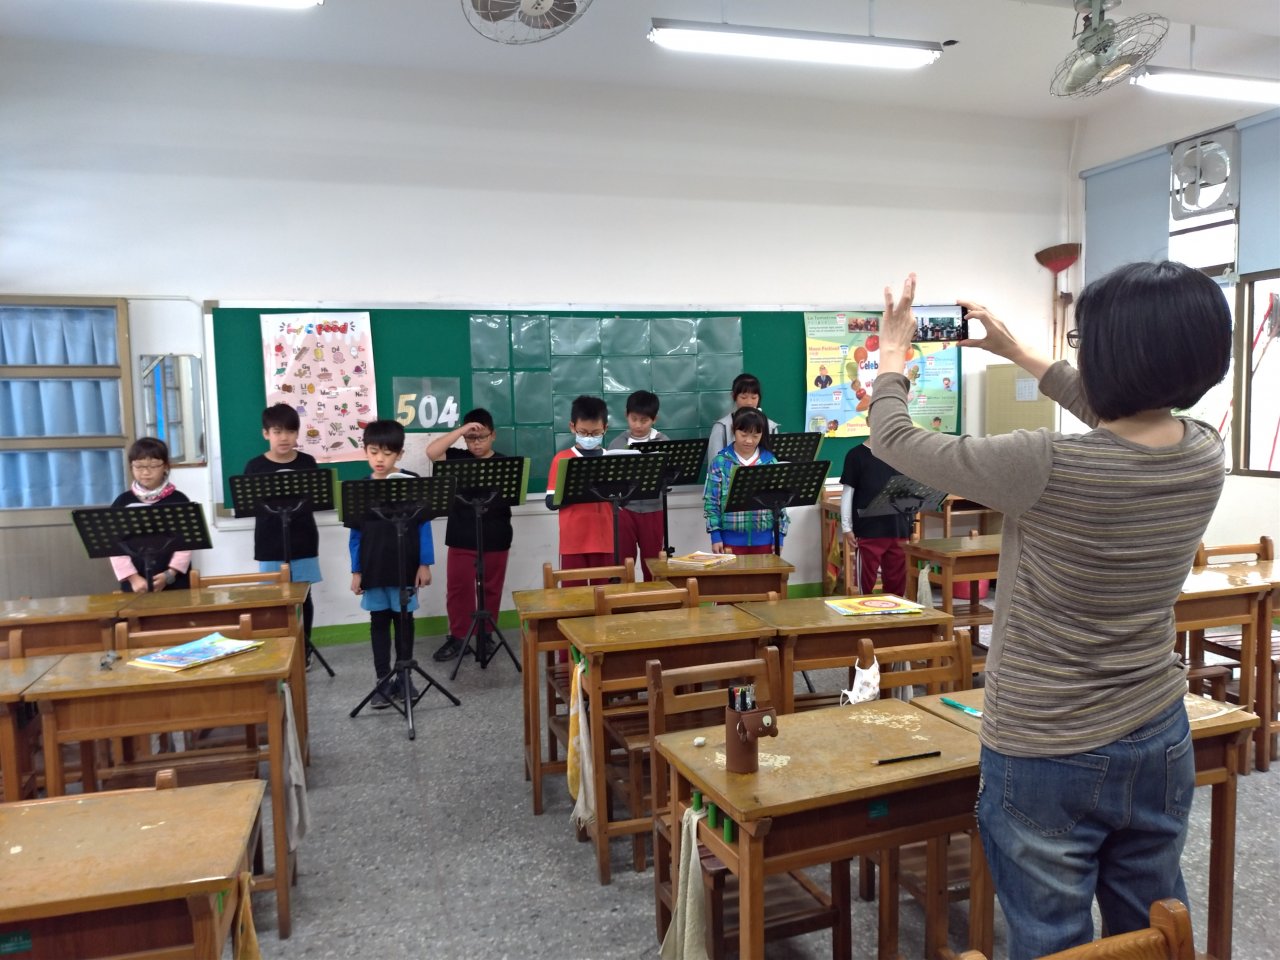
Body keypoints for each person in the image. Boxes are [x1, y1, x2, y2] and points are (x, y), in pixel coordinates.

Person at [867, 263, 1231, 959]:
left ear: (1111, 357)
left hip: (1046, 744)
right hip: (1158, 729)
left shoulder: (1044, 464)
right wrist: (1017, 350)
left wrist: (891, 356)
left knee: (1050, 939)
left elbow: (895, 441)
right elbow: (1122, 419)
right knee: (1150, 929)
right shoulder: (1204, 451)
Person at [349, 419, 434, 709]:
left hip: (405, 566)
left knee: (404, 621)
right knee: (379, 622)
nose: (380, 459)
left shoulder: (411, 482)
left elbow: (423, 527)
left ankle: (405, 676)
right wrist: (356, 571)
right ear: (365, 451)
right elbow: (355, 535)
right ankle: (383, 679)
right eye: (374, 452)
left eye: (387, 453)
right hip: (373, 567)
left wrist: (424, 563)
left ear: (400, 454)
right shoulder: (360, 489)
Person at [425, 409, 513, 663]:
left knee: (491, 588)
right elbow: (432, 452)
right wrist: (462, 430)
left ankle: (486, 635)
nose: (476, 443)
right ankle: (458, 637)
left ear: (493, 435)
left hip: (496, 534)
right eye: (470, 438)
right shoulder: (456, 457)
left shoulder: (505, 463)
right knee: (458, 588)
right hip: (461, 535)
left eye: (481, 437)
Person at [244, 403, 321, 666]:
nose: (284, 437)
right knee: (274, 599)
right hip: (270, 542)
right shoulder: (255, 467)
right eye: (277, 432)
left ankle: (304, 649)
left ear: (297, 433)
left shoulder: (307, 463)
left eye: (290, 431)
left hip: (303, 539)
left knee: (303, 596)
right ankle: (278, 649)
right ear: (266, 434)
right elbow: (250, 505)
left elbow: (315, 500)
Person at [109, 437, 193, 592]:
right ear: (131, 466)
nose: (146, 472)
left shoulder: (179, 500)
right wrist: (133, 578)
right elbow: (115, 547)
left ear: (165, 466)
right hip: (135, 584)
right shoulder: (122, 501)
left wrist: (170, 574)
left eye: (153, 466)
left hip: (174, 581)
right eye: (139, 466)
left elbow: (186, 545)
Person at [704, 406, 788, 555]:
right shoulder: (720, 462)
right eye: (743, 434)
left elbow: (780, 504)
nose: (749, 441)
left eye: (756, 436)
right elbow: (711, 502)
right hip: (729, 541)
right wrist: (715, 535)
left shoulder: (770, 462)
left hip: (765, 541)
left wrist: (779, 536)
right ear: (733, 430)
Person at [546, 396, 613, 581]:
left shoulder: (611, 459)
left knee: (605, 593)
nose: (589, 437)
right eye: (583, 432)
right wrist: (578, 488)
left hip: (605, 540)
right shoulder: (562, 459)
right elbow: (550, 502)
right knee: (574, 595)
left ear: (605, 429)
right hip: (572, 542)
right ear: (572, 427)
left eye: (595, 433)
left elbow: (624, 499)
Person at [606, 390, 670, 580]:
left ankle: (655, 596)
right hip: (624, 510)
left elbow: (670, 475)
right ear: (626, 415)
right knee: (624, 562)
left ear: (654, 419)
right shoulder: (617, 443)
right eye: (634, 419)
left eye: (644, 420)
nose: (638, 425)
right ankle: (625, 597)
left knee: (653, 563)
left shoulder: (663, 442)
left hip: (654, 509)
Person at [840, 443, 911, 596]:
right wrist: (846, 527)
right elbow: (848, 492)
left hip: (899, 528)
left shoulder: (901, 452)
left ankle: (894, 610)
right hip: (869, 529)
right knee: (865, 585)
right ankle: (864, 610)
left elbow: (910, 488)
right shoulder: (856, 455)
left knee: (897, 584)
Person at [705, 373, 780, 470]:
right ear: (734, 396)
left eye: (754, 397)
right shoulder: (722, 427)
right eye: (743, 397)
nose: (749, 402)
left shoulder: (770, 426)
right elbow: (714, 466)